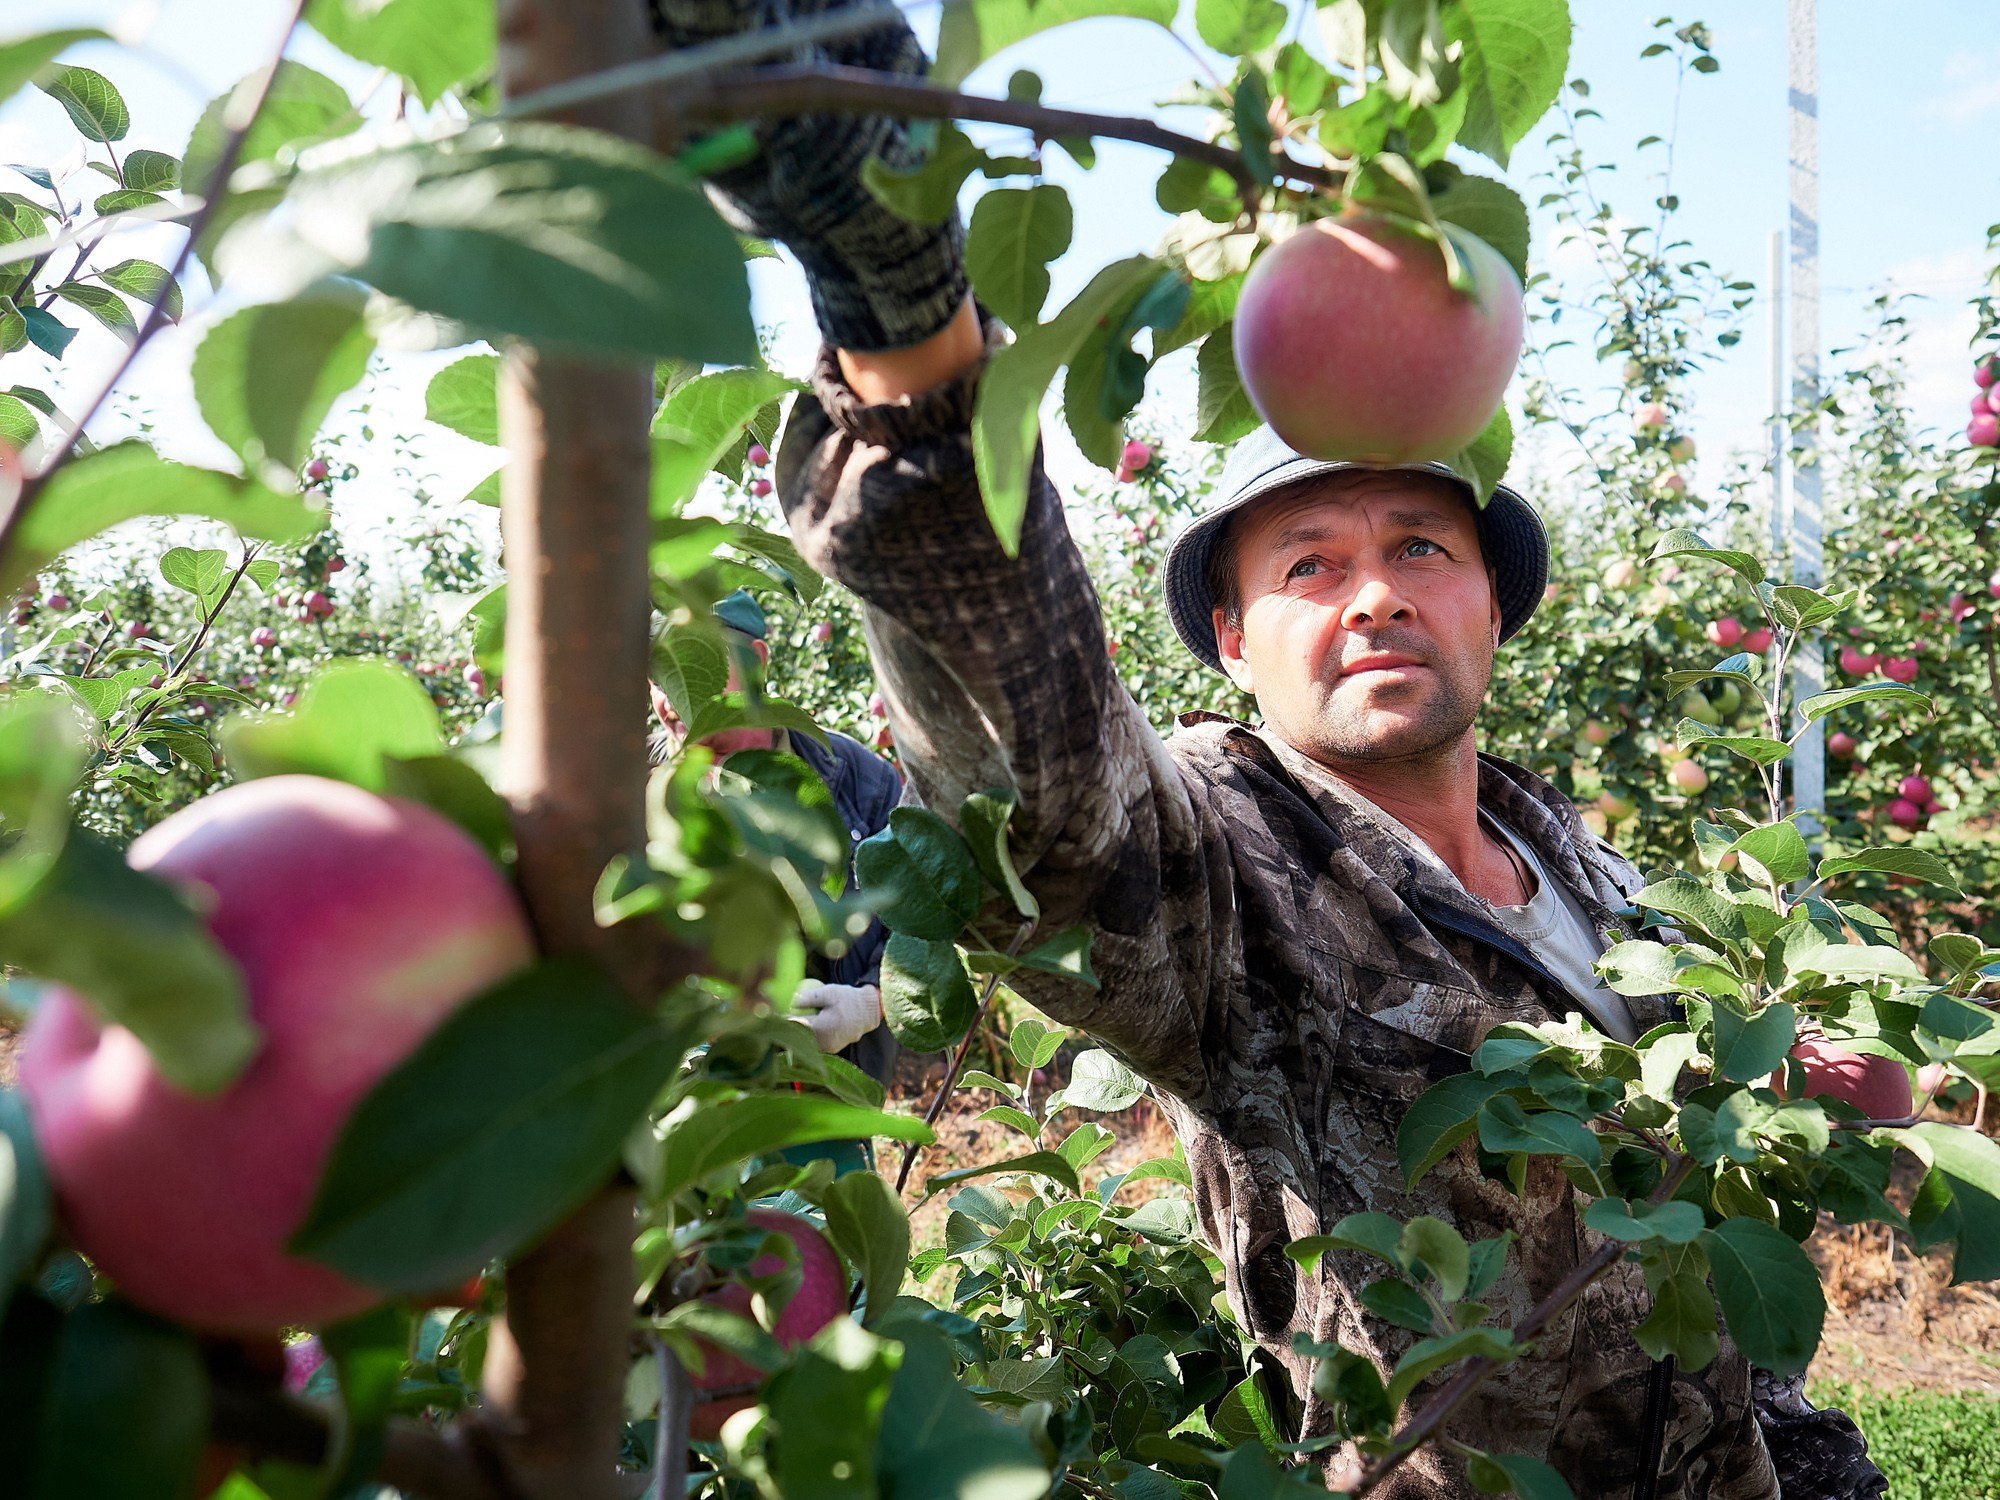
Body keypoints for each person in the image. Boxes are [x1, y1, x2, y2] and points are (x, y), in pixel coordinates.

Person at [646, 5, 1886, 1495]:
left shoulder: (1599, 884)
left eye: (1422, 545)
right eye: (1306, 564)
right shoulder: (1230, 875)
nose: (1373, 591)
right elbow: (1039, 805)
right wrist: (897, 294)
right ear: (1231, 640)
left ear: (1495, 604)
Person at [650, 590, 900, 1090]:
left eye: (695, 666)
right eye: (657, 674)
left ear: (757, 663)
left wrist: (872, 1001)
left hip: (828, 1084)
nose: (668, 699)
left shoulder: (859, 779)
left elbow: (918, 918)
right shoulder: (632, 781)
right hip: (677, 1090)